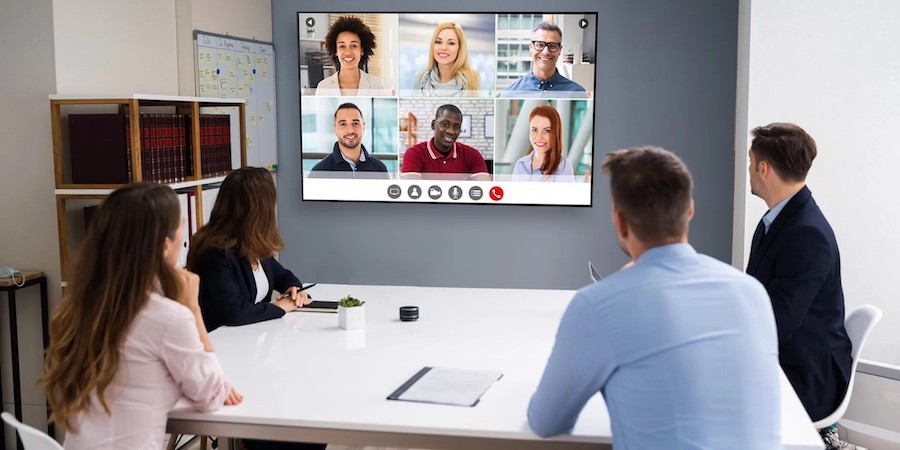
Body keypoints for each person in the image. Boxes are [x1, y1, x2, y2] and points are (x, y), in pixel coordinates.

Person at [528, 146, 781, 448]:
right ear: (689, 210)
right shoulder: (751, 292)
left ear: (620, 223)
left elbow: (546, 421)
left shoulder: (599, 304)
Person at [41, 183, 241, 449]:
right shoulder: (168, 318)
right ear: (164, 246)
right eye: (180, 229)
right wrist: (192, 308)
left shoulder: (83, 306)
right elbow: (214, 394)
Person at [745, 123, 853, 450]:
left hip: (806, 374)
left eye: (750, 163)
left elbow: (779, 322)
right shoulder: (778, 220)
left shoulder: (807, 234)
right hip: (790, 356)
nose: (748, 171)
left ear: (764, 169)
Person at [187, 167, 312, 333]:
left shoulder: (251, 242)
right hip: (224, 346)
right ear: (260, 210)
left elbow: (282, 276)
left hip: (251, 341)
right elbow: (234, 312)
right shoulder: (215, 253)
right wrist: (280, 306)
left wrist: (293, 289)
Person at [401, 104, 489, 181]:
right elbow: (411, 192)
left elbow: (484, 190)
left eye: (456, 127)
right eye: (445, 124)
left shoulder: (472, 155)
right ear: (433, 125)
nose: (451, 131)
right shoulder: (414, 154)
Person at [501, 22, 586, 98]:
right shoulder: (509, 94)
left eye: (552, 46)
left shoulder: (577, 93)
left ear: (560, 50)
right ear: (531, 47)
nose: (546, 52)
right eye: (540, 45)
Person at [309, 103, 389, 179]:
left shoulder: (380, 169)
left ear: (363, 127)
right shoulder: (319, 172)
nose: (350, 130)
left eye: (355, 123)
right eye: (343, 124)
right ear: (335, 129)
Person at [315, 16, 387, 96]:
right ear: (336, 51)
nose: (348, 52)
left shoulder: (376, 85)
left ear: (362, 50)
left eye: (354, 46)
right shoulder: (323, 87)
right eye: (342, 46)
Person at [412, 22, 480, 97]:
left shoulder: (472, 78)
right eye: (438, 42)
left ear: (460, 48)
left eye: (451, 43)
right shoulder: (420, 79)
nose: (443, 47)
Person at [511, 105, 575, 181]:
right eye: (534, 130)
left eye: (547, 131)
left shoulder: (563, 166)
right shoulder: (520, 164)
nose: (539, 137)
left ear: (555, 133)